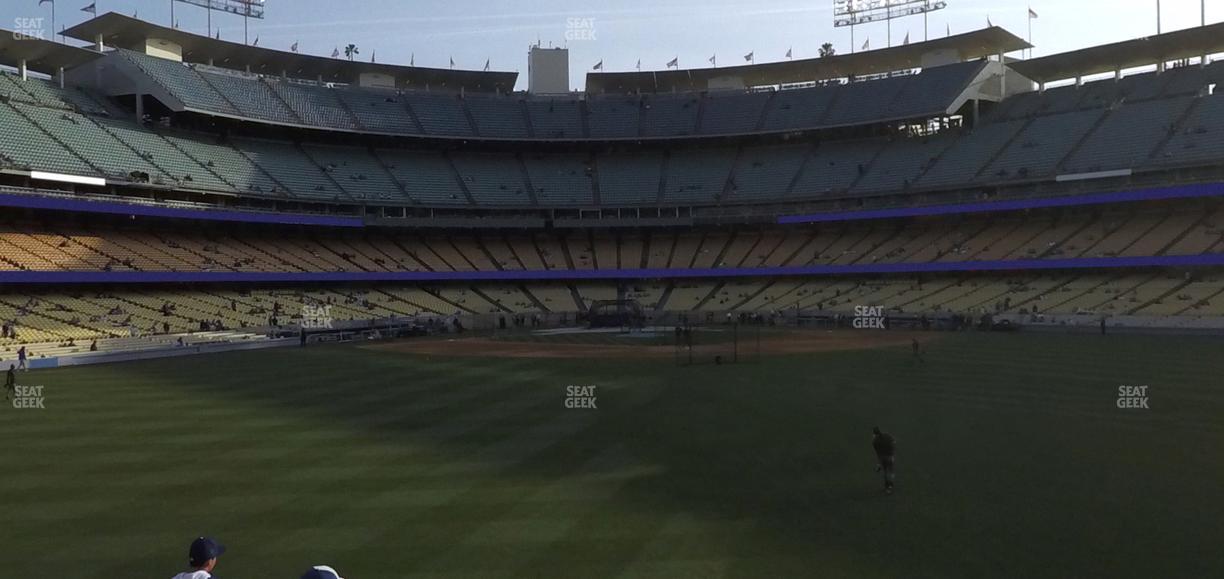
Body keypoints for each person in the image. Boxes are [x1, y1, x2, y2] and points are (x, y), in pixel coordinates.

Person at [872, 426, 897, 494]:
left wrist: (878, 464)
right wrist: (892, 451)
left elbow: (878, 453)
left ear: (874, 434)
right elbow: (894, 442)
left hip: (883, 458)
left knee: (885, 471)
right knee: (891, 471)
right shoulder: (887, 435)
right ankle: (890, 486)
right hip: (890, 456)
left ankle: (887, 486)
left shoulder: (875, 442)